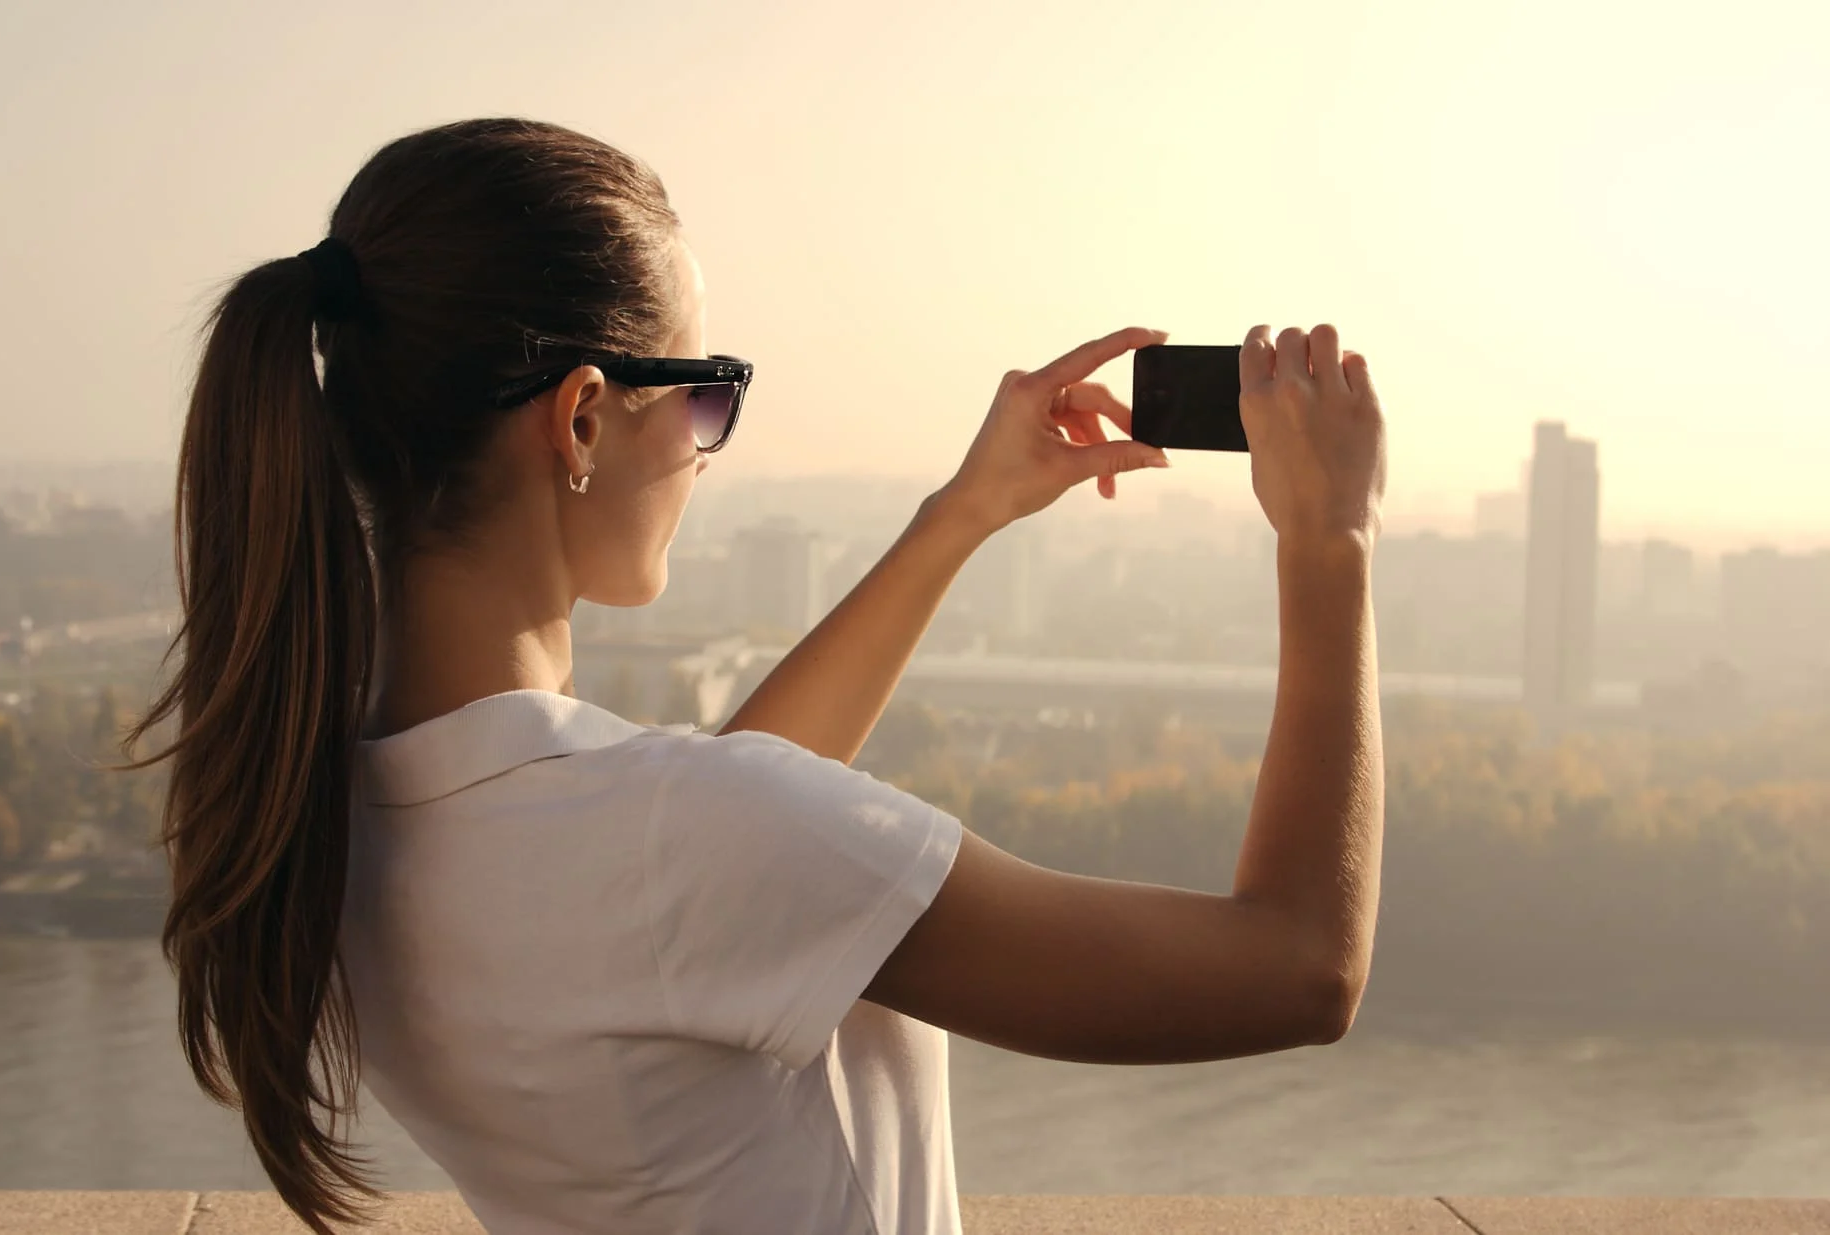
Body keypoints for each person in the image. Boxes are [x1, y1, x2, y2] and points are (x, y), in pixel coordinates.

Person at [128, 117, 1388, 1235]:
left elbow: (713, 848)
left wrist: (959, 515)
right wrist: (1328, 542)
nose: (704, 450)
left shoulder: (344, 814)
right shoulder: (682, 838)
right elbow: (1293, 965)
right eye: (702, 394)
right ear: (578, 419)